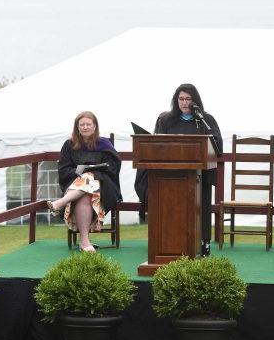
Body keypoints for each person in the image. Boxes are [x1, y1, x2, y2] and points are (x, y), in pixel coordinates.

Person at [135, 83, 223, 256]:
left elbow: (217, 146)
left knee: (200, 211)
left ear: (195, 101)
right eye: (181, 99)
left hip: (199, 177)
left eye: (188, 99)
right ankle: (170, 245)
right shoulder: (166, 120)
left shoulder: (206, 120)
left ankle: (202, 245)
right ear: (176, 101)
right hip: (170, 177)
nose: (184, 103)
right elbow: (157, 144)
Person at [47, 111, 122, 252]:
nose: (85, 127)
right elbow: (63, 170)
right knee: (85, 195)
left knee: (89, 177)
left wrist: (93, 172)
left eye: (88, 124)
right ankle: (85, 242)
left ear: (95, 127)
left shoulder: (104, 144)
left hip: (103, 185)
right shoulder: (69, 145)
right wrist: (79, 171)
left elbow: (113, 167)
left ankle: (60, 203)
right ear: (77, 127)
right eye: (82, 124)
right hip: (76, 184)